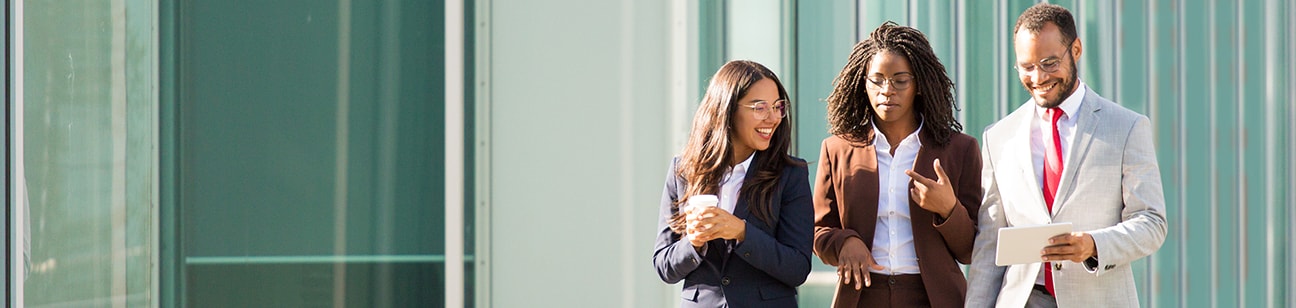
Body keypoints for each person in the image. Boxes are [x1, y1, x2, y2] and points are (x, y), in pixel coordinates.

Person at [965, 3, 1168, 307]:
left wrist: (1093, 245)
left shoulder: (1127, 127)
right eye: (1027, 66)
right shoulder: (998, 137)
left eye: (1048, 63)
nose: (1038, 77)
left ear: (1075, 50)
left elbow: (1151, 223)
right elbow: (989, 243)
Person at [812, 21, 983, 308]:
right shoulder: (836, 149)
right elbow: (818, 232)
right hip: (861, 296)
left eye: (900, 80)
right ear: (862, 83)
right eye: (876, 79)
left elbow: (971, 251)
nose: (887, 90)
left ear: (919, 85)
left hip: (934, 298)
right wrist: (844, 242)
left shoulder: (960, 149)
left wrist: (948, 209)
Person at [653, 60, 813, 307]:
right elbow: (665, 266)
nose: (773, 118)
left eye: (777, 106)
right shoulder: (683, 170)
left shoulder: (791, 174)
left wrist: (741, 232)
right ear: (727, 109)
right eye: (760, 107)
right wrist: (693, 242)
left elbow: (797, 267)